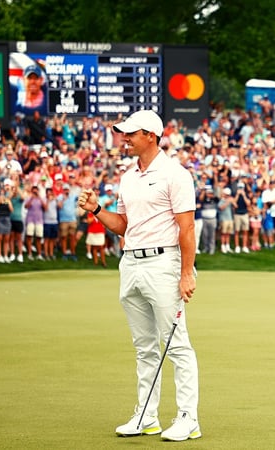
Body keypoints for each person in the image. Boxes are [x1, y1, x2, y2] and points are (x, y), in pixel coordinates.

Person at [77, 109, 201, 441]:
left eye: (131, 133)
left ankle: (188, 417)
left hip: (164, 264)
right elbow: (123, 226)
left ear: (150, 135)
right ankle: (147, 416)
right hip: (130, 263)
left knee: (176, 344)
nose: (125, 138)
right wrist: (97, 210)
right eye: (124, 133)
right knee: (144, 347)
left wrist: (187, 273)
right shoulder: (128, 176)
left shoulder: (176, 174)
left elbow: (186, 228)